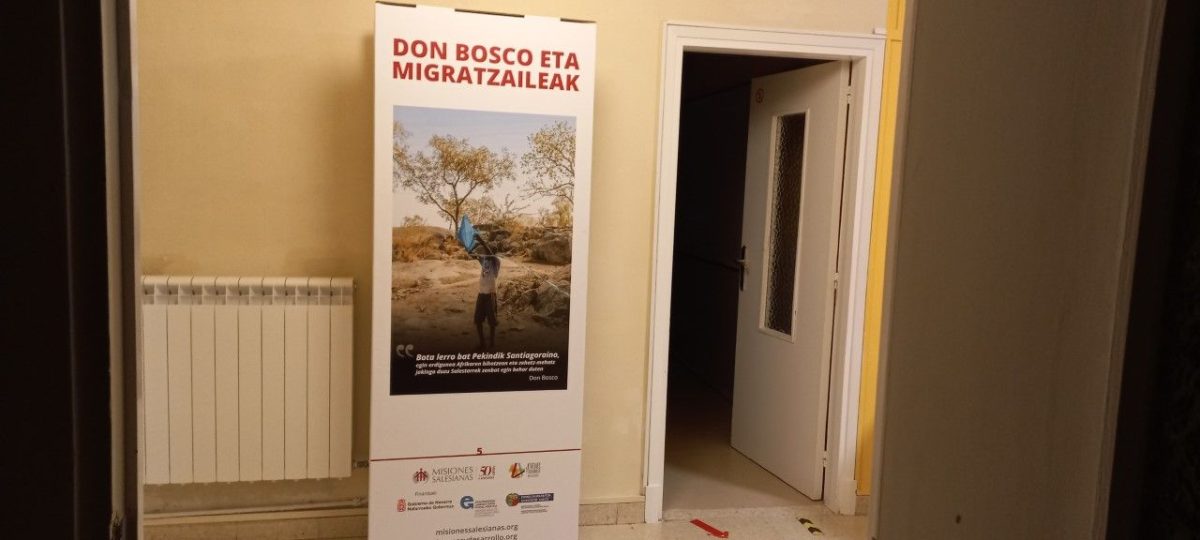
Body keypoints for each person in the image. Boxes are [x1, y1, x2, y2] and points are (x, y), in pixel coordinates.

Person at [471, 236, 500, 349]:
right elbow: (476, 257)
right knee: (478, 320)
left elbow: (489, 253)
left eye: (489, 249)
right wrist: (470, 248)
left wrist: (482, 241)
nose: (486, 251)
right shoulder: (485, 260)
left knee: (492, 321)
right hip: (481, 293)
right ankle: (482, 343)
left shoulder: (496, 261)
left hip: (490, 294)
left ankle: (492, 343)